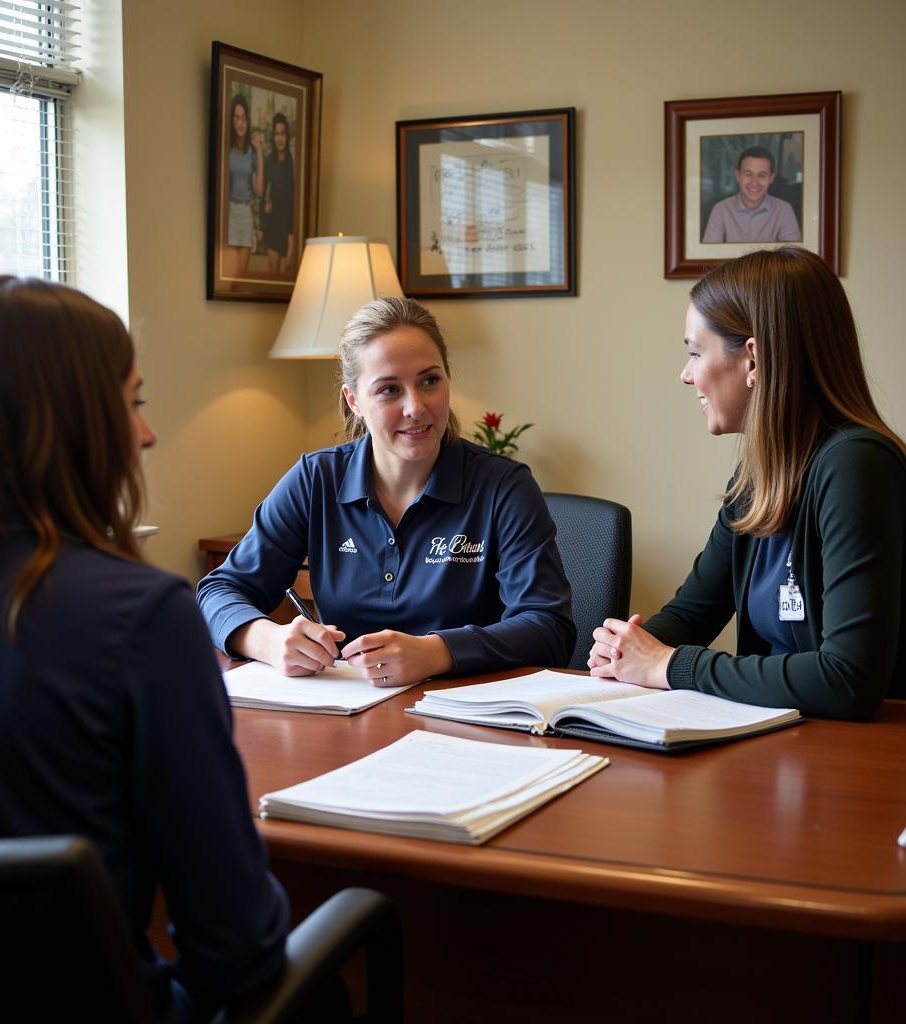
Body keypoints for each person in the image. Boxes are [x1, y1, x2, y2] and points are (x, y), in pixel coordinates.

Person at [0, 276, 288, 1020]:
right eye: (131, 402)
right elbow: (236, 952)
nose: (147, 433)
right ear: (71, 422)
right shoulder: (141, 617)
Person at [587, 248, 906, 721]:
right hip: (786, 744)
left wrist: (669, 664)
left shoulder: (856, 465)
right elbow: (693, 613)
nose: (686, 374)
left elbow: (848, 679)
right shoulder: (760, 473)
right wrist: (627, 649)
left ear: (752, 358)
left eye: (696, 352)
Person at [197, 296, 575, 685]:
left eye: (430, 380)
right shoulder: (316, 478)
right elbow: (220, 590)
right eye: (389, 390)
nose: (416, 406)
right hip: (344, 713)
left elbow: (549, 628)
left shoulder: (504, 487)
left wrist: (436, 652)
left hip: (465, 719)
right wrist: (269, 640)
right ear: (354, 400)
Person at [702, 146, 801, 243]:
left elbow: (793, 256)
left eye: (762, 175)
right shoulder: (721, 210)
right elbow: (708, 256)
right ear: (737, 175)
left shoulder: (784, 210)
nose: (754, 182)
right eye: (748, 174)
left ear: (771, 178)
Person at [220, 92, 264, 281]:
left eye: (244, 118)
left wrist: (260, 152)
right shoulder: (226, 149)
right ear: (232, 120)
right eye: (237, 118)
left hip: (245, 215)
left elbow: (260, 191)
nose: (240, 123)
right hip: (229, 213)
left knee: (241, 277)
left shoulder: (252, 153)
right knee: (229, 277)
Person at [262, 111, 296, 275]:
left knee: (285, 276)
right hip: (272, 228)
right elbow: (264, 194)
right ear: (273, 136)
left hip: (288, 230)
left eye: (282, 133)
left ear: (287, 136)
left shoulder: (293, 165)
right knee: (273, 277)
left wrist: (291, 242)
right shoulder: (268, 162)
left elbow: (293, 205)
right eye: (276, 134)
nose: (279, 138)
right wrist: (266, 204)